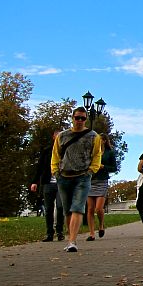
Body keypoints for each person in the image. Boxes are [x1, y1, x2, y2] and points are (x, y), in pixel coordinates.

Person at [51, 108, 102, 252]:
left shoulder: (93, 137)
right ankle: (70, 239)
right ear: (72, 118)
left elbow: (97, 155)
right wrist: (55, 170)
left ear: (86, 120)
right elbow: (55, 155)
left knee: (78, 208)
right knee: (67, 210)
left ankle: (73, 241)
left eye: (83, 118)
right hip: (64, 176)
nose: (80, 121)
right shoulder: (62, 136)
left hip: (82, 177)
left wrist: (92, 169)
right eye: (77, 118)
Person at [30, 130, 64, 242]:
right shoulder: (46, 151)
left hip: (61, 183)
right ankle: (50, 233)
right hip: (48, 183)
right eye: (57, 136)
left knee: (60, 206)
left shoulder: (65, 151)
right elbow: (39, 167)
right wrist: (34, 182)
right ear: (54, 137)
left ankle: (60, 231)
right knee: (48, 208)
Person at [86, 135, 117, 241]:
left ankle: (101, 225)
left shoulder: (110, 153)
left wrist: (104, 167)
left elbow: (114, 168)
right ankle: (91, 233)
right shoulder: (91, 152)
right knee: (90, 209)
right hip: (90, 181)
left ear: (104, 141)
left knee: (98, 208)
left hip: (102, 181)